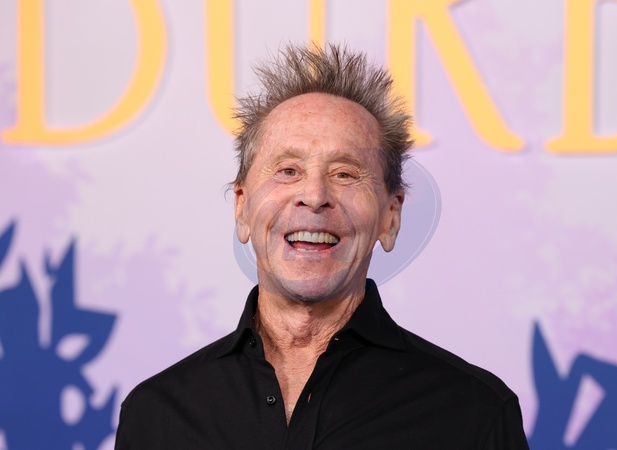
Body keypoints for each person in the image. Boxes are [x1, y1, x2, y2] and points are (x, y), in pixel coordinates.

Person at [115, 43, 529, 449]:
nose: (314, 196)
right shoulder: (157, 414)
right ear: (242, 207)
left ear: (391, 216)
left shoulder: (474, 413)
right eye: (288, 170)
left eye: (345, 174)